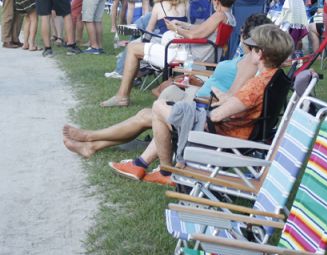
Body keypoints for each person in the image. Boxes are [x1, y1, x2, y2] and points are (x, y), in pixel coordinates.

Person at [63, 13, 271, 159]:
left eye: (244, 34)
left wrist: (203, 89)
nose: (242, 38)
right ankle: (92, 145)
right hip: (201, 97)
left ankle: (91, 138)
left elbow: (229, 101)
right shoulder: (250, 62)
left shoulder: (250, 65)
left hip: (204, 110)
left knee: (149, 114)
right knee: (153, 108)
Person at [110, 23, 294, 185]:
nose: (250, 50)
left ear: (260, 53)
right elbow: (243, 103)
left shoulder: (256, 85)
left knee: (160, 107)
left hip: (220, 133)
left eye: (253, 48)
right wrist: (225, 98)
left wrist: (211, 105)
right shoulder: (272, 78)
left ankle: (166, 172)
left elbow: (216, 116)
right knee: (167, 108)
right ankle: (152, 167)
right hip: (237, 130)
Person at [100, 0, 236, 107]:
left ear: (216, 0)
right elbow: (201, 30)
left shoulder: (218, 15)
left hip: (187, 56)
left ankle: (122, 96)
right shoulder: (229, 17)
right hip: (195, 54)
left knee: (133, 48)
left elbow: (194, 35)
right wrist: (182, 24)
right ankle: (134, 85)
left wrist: (175, 29)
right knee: (141, 48)